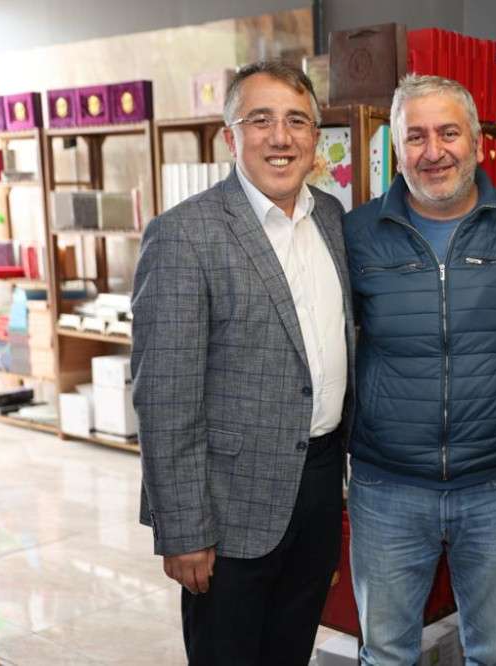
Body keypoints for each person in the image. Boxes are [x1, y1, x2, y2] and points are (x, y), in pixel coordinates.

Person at [131, 60, 354, 666]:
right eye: (260, 120)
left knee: (291, 651)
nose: (280, 137)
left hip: (317, 488)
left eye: (296, 121)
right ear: (230, 137)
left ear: (316, 138)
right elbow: (164, 397)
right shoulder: (184, 235)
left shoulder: (332, 218)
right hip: (227, 509)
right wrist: (183, 529)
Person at [343, 73, 496, 665]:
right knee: (386, 655)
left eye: (448, 133)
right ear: (396, 149)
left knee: (494, 654)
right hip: (386, 486)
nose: (433, 152)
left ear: (479, 142)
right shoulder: (356, 233)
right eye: (416, 137)